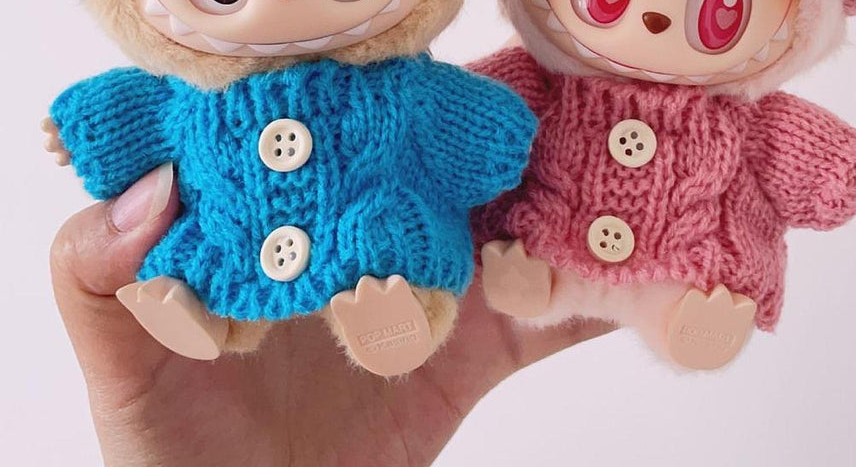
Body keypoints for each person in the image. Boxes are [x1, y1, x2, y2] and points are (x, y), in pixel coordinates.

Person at [50, 165, 608, 465]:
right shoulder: (191, 98)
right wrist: (85, 125)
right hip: (234, 230)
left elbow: (482, 132)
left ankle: (394, 322)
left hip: (365, 234)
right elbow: (135, 117)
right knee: (209, 260)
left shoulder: (392, 87)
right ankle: (200, 311)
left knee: (394, 257)